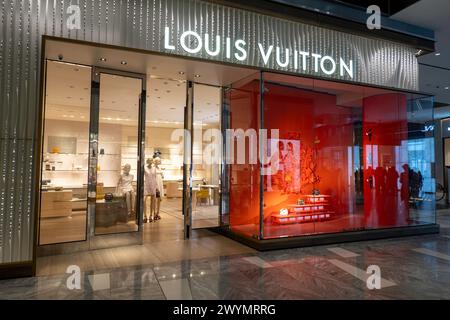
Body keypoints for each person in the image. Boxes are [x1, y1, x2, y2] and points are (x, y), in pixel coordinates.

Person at [144, 158, 156, 223]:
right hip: (146, 185)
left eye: (151, 160)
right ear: (147, 161)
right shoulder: (144, 168)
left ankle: (151, 215)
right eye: (149, 160)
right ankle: (145, 215)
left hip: (153, 185)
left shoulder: (154, 168)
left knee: (153, 200)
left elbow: (155, 177)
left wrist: (156, 186)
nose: (151, 162)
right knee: (144, 200)